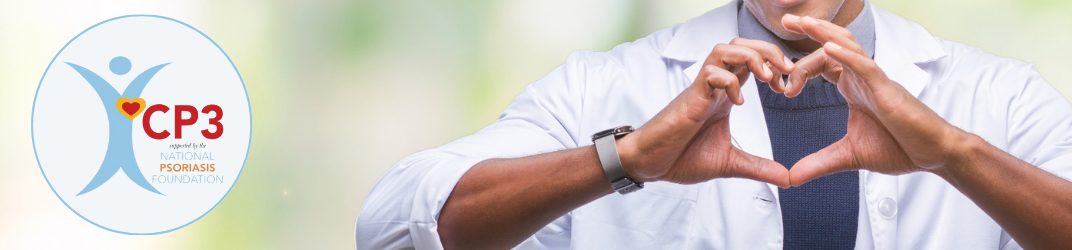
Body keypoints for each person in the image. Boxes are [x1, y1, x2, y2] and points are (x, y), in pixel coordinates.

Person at [356, 0, 1072, 249]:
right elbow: (391, 229)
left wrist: (952, 154)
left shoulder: (993, 98)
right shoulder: (609, 87)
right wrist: (626, 159)